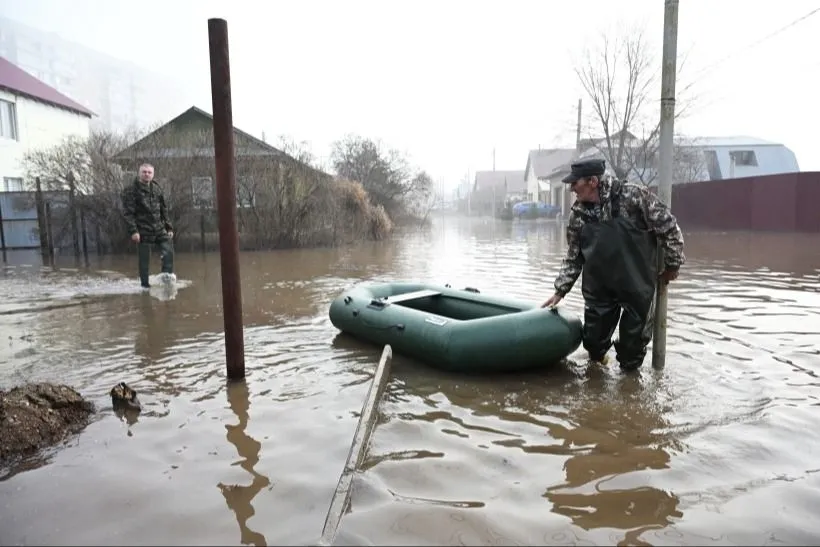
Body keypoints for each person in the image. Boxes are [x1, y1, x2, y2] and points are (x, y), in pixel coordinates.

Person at [541, 158, 685, 372]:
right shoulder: (578, 214)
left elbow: (669, 227)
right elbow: (574, 256)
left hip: (636, 286)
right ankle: (599, 379)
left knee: (632, 351)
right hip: (599, 289)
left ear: (592, 181)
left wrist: (673, 265)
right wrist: (560, 289)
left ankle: (629, 393)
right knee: (593, 344)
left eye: (575, 183)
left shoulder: (633, 196)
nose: (571, 189)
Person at [122, 163, 174, 288]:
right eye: (144, 172)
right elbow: (128, 213)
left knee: (169, 252)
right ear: (139, 173)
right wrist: (134, 231)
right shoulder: (131, 190)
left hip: (159, 228)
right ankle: (145, 286)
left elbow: (163, 209)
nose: (147, 174)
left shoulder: (156, 189)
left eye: (149, 172)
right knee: (144, 260)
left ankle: (166, 279)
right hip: (142, 230)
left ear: (153, 174)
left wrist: (168, 227)